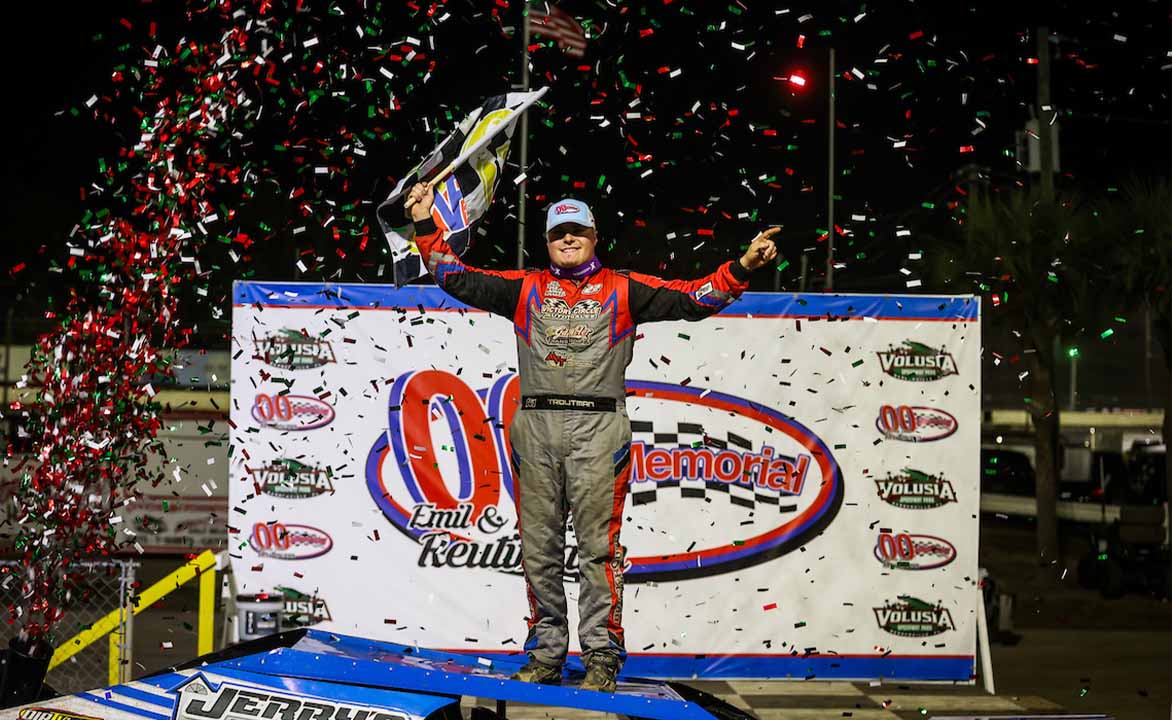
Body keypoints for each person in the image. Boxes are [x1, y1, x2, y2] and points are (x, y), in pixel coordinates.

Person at [404, 184, 778, 692]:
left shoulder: (624, 288)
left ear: (594, 235)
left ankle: (601, 657)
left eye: (577, 230)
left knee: (599, 552)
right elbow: (456, 277)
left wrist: (744, 266)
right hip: (535, 429)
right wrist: (425, 223)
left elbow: (694, 299)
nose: (568, 239)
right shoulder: (524, 287)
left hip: (599, 431)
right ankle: (545, 655)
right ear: (546, 241)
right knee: (538, 551)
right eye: (559, 232)